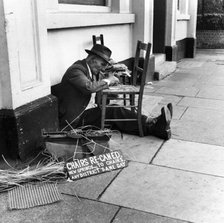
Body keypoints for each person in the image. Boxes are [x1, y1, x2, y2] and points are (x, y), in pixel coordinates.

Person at [56, 44, 173, 140]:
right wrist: (109, 80)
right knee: (114, 112)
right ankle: (153, 124)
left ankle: (152, 124)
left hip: (84, 111)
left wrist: (111, 78)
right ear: (92, 59)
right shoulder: (76, 70)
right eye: (102, 64)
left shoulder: (89, 69)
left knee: (115, 115)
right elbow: (89, 87)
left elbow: (98, 83)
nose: (102, 68)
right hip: (74, 119)